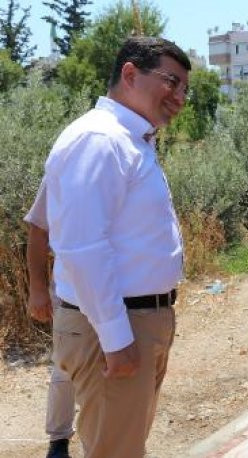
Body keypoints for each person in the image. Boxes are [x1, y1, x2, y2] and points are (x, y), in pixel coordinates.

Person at [44, 37, 190, 458]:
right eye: (171, 82)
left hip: (138, 320)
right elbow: (81, 247)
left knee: (125, 445)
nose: (179, 98)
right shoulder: (100, 139)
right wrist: (115, 338)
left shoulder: (130, 139)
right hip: (114, 325)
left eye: (184, 89)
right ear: (130, 74)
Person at [25, 182, 75, 458]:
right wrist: (38, 288)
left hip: (121, 295)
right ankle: (59, 440)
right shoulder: (61, 172)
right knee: (64, 367)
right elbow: (38, 228)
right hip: (69, 295)